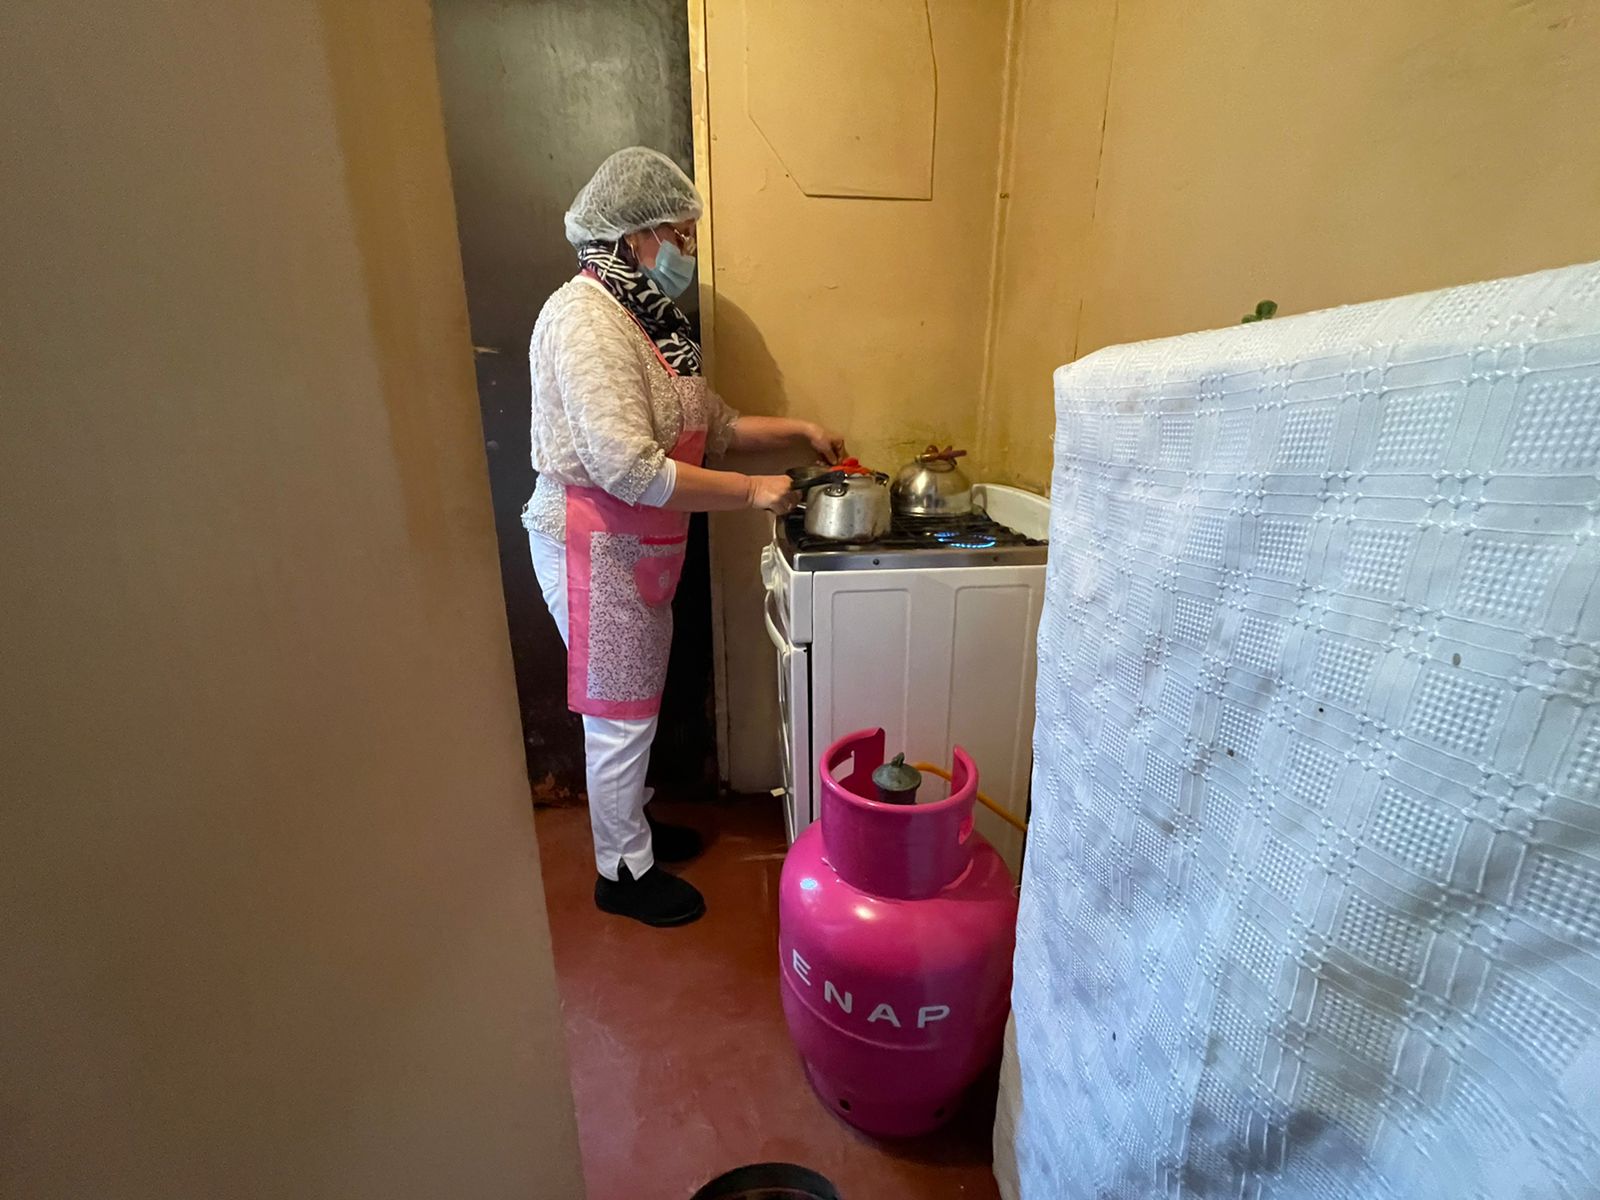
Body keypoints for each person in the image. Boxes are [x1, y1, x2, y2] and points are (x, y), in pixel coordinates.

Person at [523, 147, 845, 928]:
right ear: (632, 236)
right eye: (679, 234)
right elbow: (627, 467)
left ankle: (633, 829)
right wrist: (751, 493)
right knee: (618, 713)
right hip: (594, 542)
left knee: (637, 705)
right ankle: (621, 871)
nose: (689, 253)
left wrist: (798, 431)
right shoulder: (586, 319)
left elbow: (719, 426)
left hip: (641, 547)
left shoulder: (647, 320)